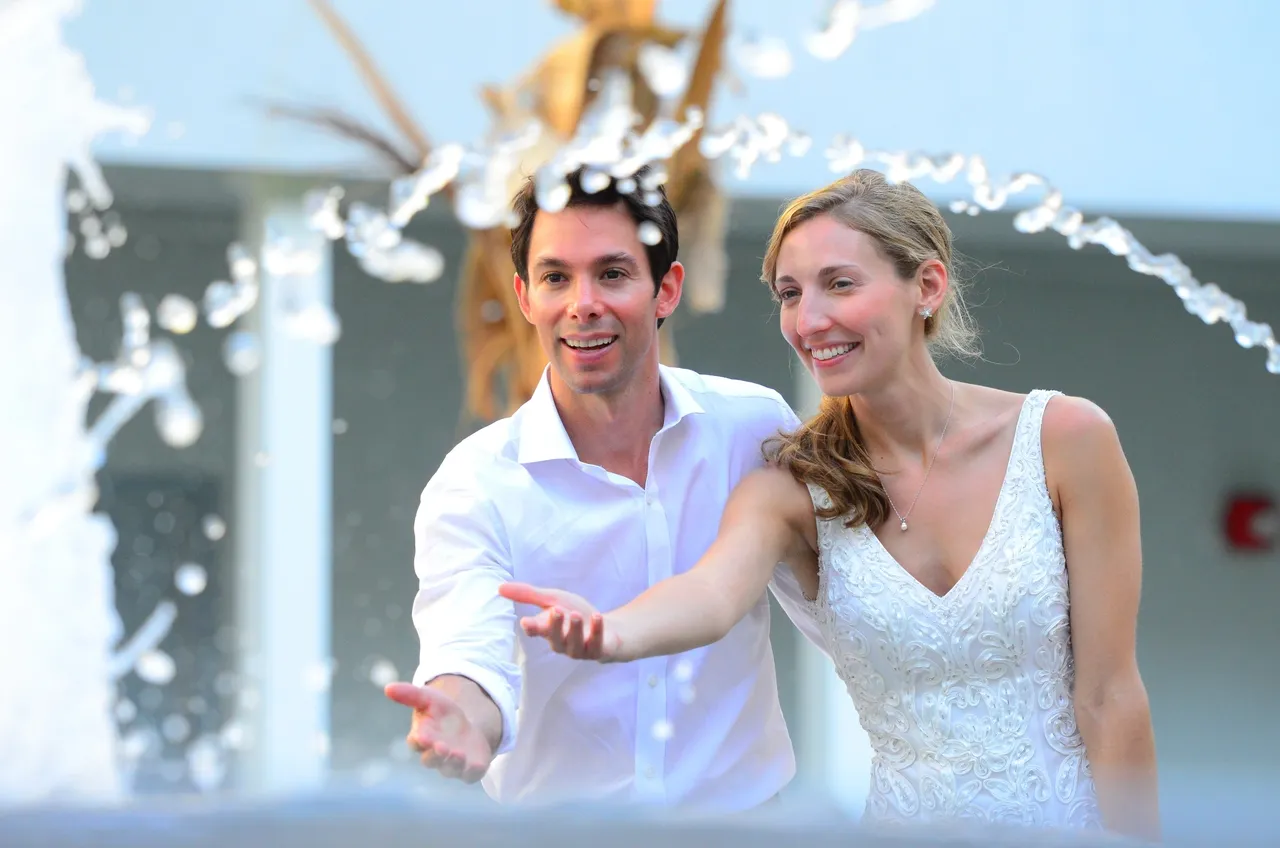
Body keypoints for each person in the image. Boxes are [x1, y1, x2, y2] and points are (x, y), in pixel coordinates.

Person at [501, 169, 1161, 840]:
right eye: (790, 294)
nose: (809, 321)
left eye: (839, 284)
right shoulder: (792, 488)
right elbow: (709, 593)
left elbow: (1110, 697)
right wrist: (612, 632)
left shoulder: (1067, 441)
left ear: (926, 287)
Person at [384, 163, 823, 813]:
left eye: (612, 274)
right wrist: (463, 717)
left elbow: (837, 596)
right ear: (525, 295)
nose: (581, 302)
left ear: (666, 289)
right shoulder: (474, 483)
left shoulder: (755, 430)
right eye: (556, 277)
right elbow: (469, 650)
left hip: (747, 827)